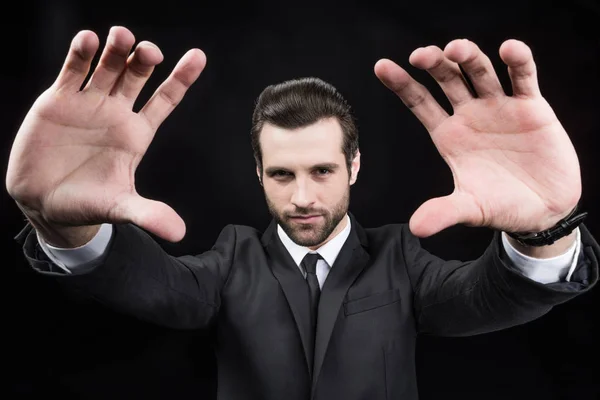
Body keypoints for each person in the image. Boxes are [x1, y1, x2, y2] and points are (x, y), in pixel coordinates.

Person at [6, 26, 599, 400]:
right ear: (258, 174)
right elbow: (152, 287)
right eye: (282, 174)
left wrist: (543, 227)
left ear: (355, 166)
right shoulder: (232, 261)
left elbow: (488, 297)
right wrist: (59, 222)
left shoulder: (400, 260)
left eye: (322, 171)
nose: (303, 198)